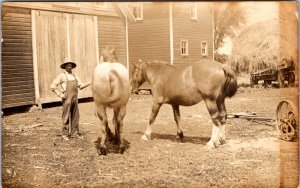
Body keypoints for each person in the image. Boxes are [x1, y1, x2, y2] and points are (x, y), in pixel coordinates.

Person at [50, 59, 91, 140]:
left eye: (70, 64)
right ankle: (65, 134)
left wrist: (90, 82)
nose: (69, 66)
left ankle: (74, 133)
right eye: (67, 64)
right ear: (64, 66)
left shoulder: (75, 76)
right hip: (67, 98)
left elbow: (81, 86)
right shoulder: (61, 76)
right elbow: (53, 86)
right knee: (66, 116)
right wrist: (60, 95)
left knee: (75, 115)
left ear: (72, 66)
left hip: (75, 98)